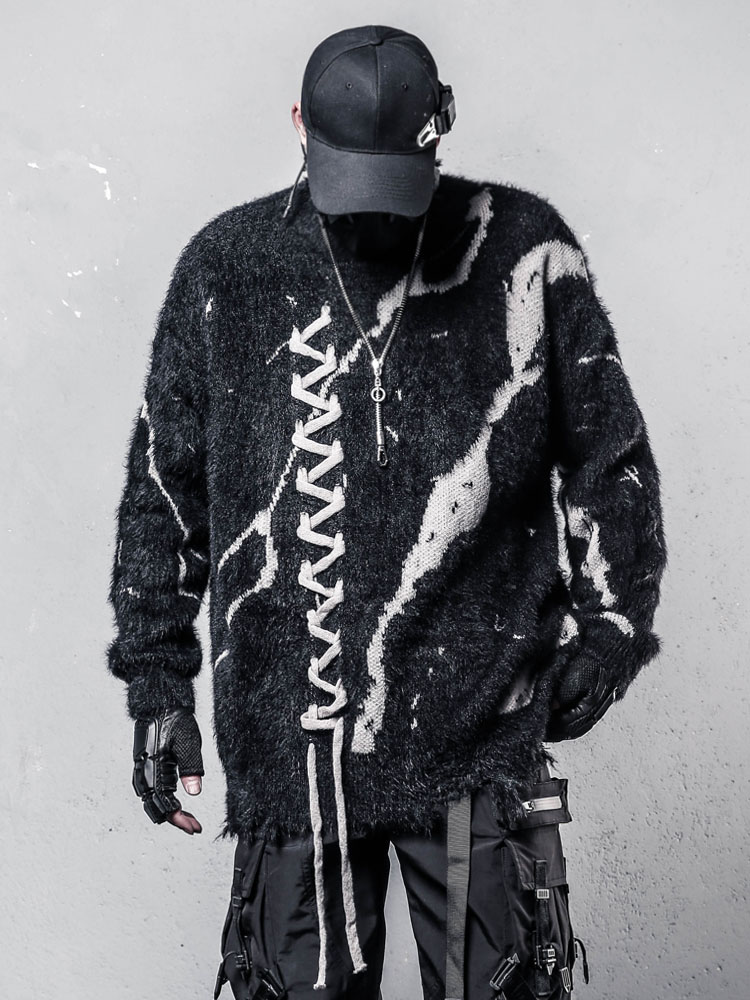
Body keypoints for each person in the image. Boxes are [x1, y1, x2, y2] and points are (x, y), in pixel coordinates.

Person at [106, 23, 667, 1000]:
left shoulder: (523, 249)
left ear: (438, 130)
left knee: (500, 985)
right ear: (298, 125)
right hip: (292, 746)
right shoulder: (226, 269)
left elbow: (607, 451)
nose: (370, 213)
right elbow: (162, 490)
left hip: (475, 730)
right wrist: (157, 686)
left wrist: (614, 627)